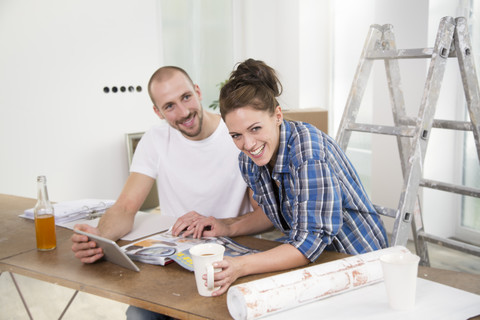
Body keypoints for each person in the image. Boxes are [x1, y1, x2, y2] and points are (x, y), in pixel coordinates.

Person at [71, 66, 263, 319]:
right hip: (175, 258)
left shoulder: (237, 135)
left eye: (186, 97)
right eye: (169, 106)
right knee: (139, 316)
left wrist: (224, 224)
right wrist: (100, 237)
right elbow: (126, 206)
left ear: (197, 91)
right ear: (157, 112)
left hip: (227, 254)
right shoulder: (155, 139)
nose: (184, 112)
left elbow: (264, 215)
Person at [185, 58, 389, 297]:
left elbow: (308, 243)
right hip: (320, 262)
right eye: (236, 135)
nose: (248, 144)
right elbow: (271, 214)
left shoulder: (308, 154)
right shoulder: (249, 160)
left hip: (360, 263)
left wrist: (240, 266)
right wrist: (226, 226)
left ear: (277, 116)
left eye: (255, 129)